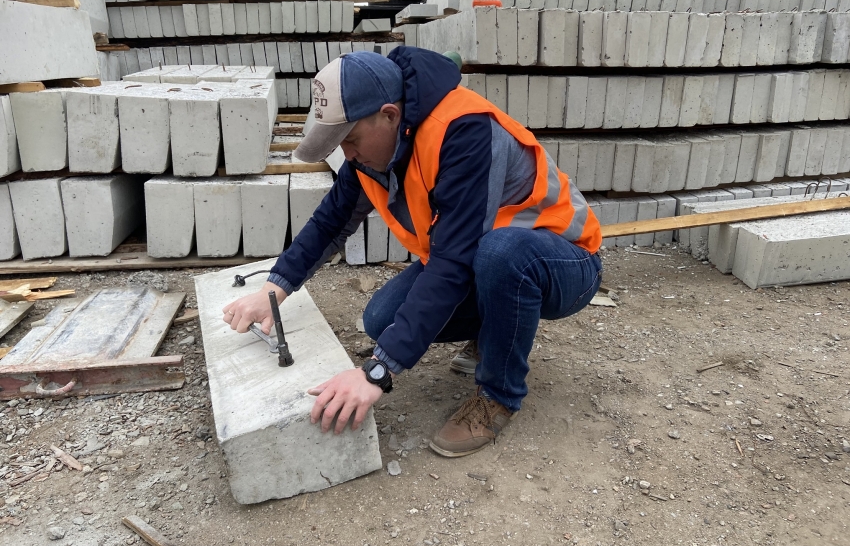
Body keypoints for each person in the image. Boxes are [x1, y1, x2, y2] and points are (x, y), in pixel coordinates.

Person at [223, 47, 603, 458]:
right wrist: (274, 289)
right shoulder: (371, 154)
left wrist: (378, 372)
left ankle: (497, 396)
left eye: (349, 139)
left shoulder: (465, 131)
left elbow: (453, 261)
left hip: (565, 260)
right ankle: (492, 330)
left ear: (389, 115)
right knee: (381, 319)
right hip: (487, 256)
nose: (346, 155)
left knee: (501, 252)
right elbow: (330, 223)